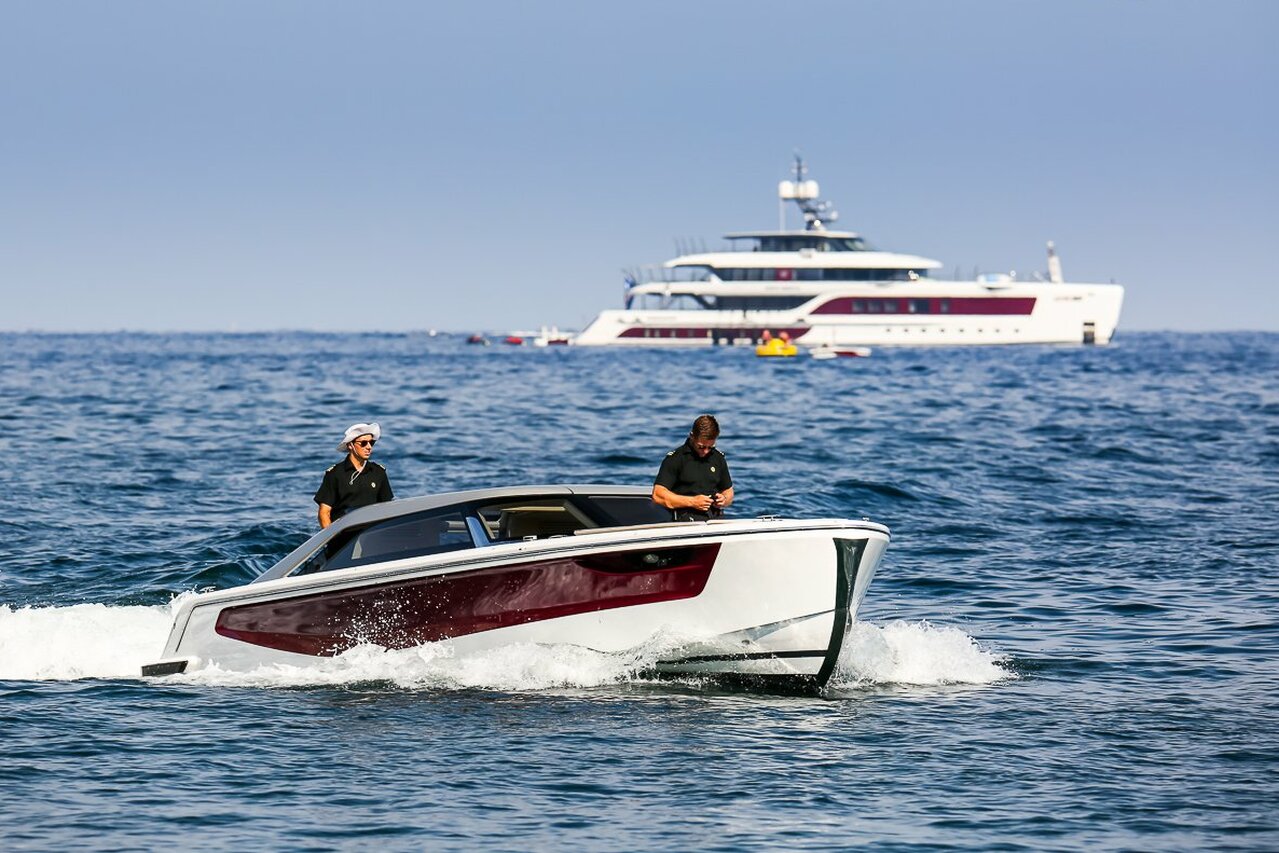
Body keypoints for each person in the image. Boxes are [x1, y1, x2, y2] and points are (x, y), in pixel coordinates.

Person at [652, 414, 734, 521]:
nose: (705, 451)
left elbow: (728, 491)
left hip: (716, 521)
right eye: (701, 447)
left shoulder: (718, 458)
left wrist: (724, 499)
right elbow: (658, 495)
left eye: (710, 447)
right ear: (692, 436)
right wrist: (693, 502)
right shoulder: (676, 458)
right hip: (685, 522)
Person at [314, 422, 394, 528]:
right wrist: (333, 542)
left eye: (371, 443)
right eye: (364, 443)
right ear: (350, 445)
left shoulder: (379, 472)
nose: (369, 447)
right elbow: (324, 512)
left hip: (371, 534)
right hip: (344, 535)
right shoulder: (335, 474)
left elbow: (387, 509)